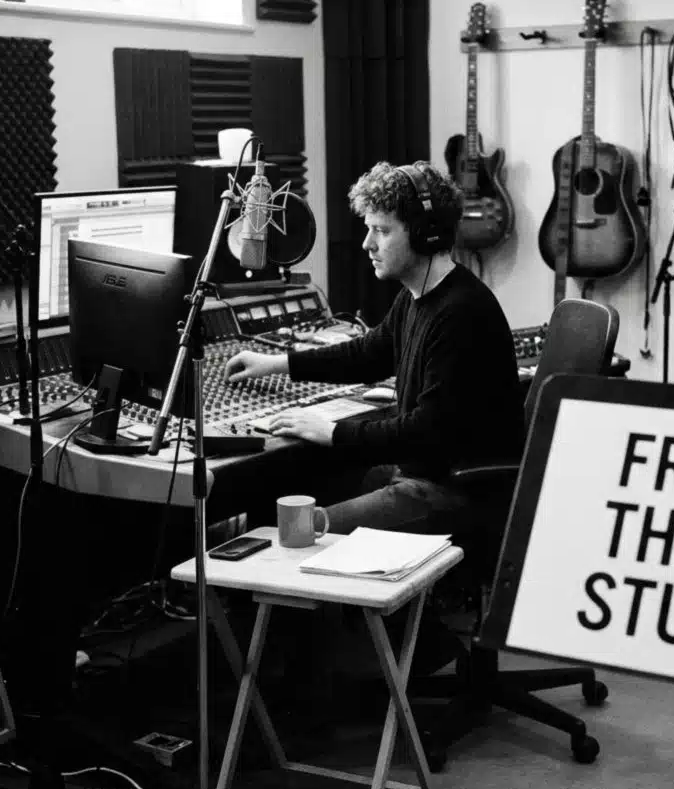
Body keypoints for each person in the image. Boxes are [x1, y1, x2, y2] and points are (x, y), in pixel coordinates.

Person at [224, 159, 525, 535]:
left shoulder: (461, 313)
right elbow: (368, 354)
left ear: (425, 235)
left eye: (381, 231)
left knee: (301, 531)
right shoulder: (417, 295)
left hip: (455, 492)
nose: (367, 244)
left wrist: (332, 432)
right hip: (421, 474)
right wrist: (278, 363)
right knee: (288, 493)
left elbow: (424, 433)